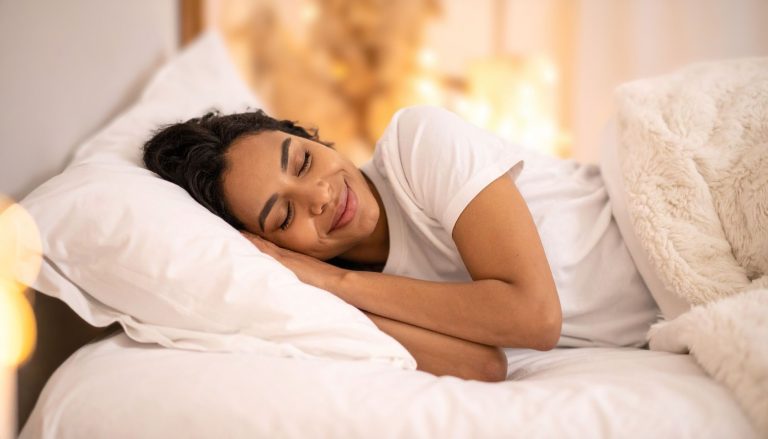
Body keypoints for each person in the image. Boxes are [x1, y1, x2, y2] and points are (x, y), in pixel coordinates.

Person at [142, 106, 660, 382]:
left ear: (314, 139)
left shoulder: (418, 142)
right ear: (275, 247)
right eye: (284, 215)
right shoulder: (342, 297)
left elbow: (535, 319)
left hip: (663, 215)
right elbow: (481, 366)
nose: (319, 195)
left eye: (301, 161)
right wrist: (330, 290)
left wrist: (335, 279)